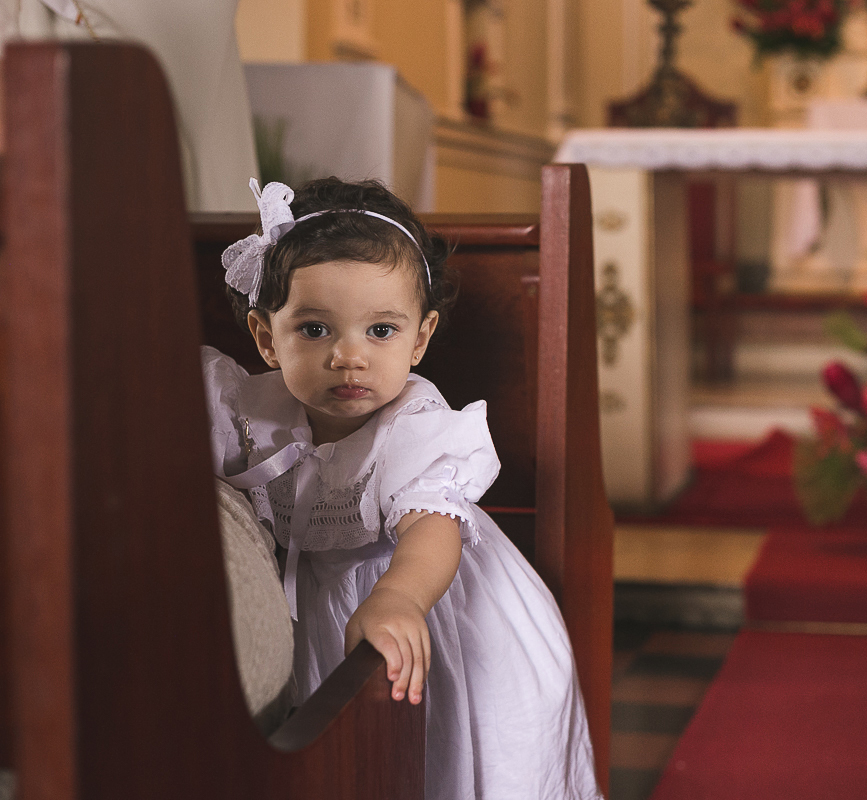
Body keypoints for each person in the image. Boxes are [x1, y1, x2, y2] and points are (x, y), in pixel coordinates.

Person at [203, 176, 601, 799]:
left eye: (380, 331)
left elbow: (431, 531)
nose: (348, 356)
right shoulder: (245, 409)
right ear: (264, 337)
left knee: (454, 754)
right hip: (312, 604)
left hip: (428, 593)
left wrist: (401, 597)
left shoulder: (416, 425)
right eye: (314, 329)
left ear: (420, 336)